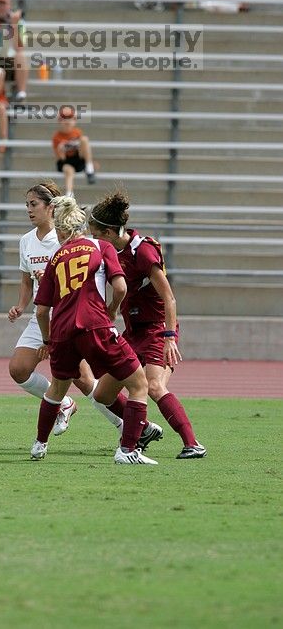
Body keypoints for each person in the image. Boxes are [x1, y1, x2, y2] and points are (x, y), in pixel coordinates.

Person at [32, 195, 159, 465]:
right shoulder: (101, 246)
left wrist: (48, 339)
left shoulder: (56, 257)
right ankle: (127, 451)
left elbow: (42, 310)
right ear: (83, 226)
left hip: (63, 331)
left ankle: (39, 445)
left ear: (62, 229)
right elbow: (121, 288)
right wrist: (112, 308)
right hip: (95, 325)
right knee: (139, 384)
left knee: (56, 389)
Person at [89, 190, 206, 459]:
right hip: (133, 333)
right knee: (103, 394)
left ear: (108, 232)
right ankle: (142, 430)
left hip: (156, 329)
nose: (93, 239)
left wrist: (169, 338)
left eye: (96, 233)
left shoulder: (143, 250)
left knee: (153, 386)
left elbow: (169, 297)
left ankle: (192, 444)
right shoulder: (109, 252)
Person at [8, 181, 126, 438]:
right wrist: (20, 305)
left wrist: (50, 274)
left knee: (84, 382)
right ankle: (64, 404)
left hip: (66, 315)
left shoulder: (64, 237)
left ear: (51, 208)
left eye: (34, 204)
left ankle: (126, 425)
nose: (29, 210)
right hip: (41, 314)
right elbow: (26, 279)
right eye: (26, 205)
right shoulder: (26, 241)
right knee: (18, 368)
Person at [52, 105, 96, 196]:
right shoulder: (57, 137)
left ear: (74, 121)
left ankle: (89, 167)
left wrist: (74, 145)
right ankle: (69, 194)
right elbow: (60, 158)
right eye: (64, 119)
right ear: (60, 121)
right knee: (69, 170)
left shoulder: (77, 132)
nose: (67, 121)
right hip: (66, 160)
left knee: (84, 139)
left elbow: (82, 147)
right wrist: (61, 150)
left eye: (70, 119)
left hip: (77, 158)